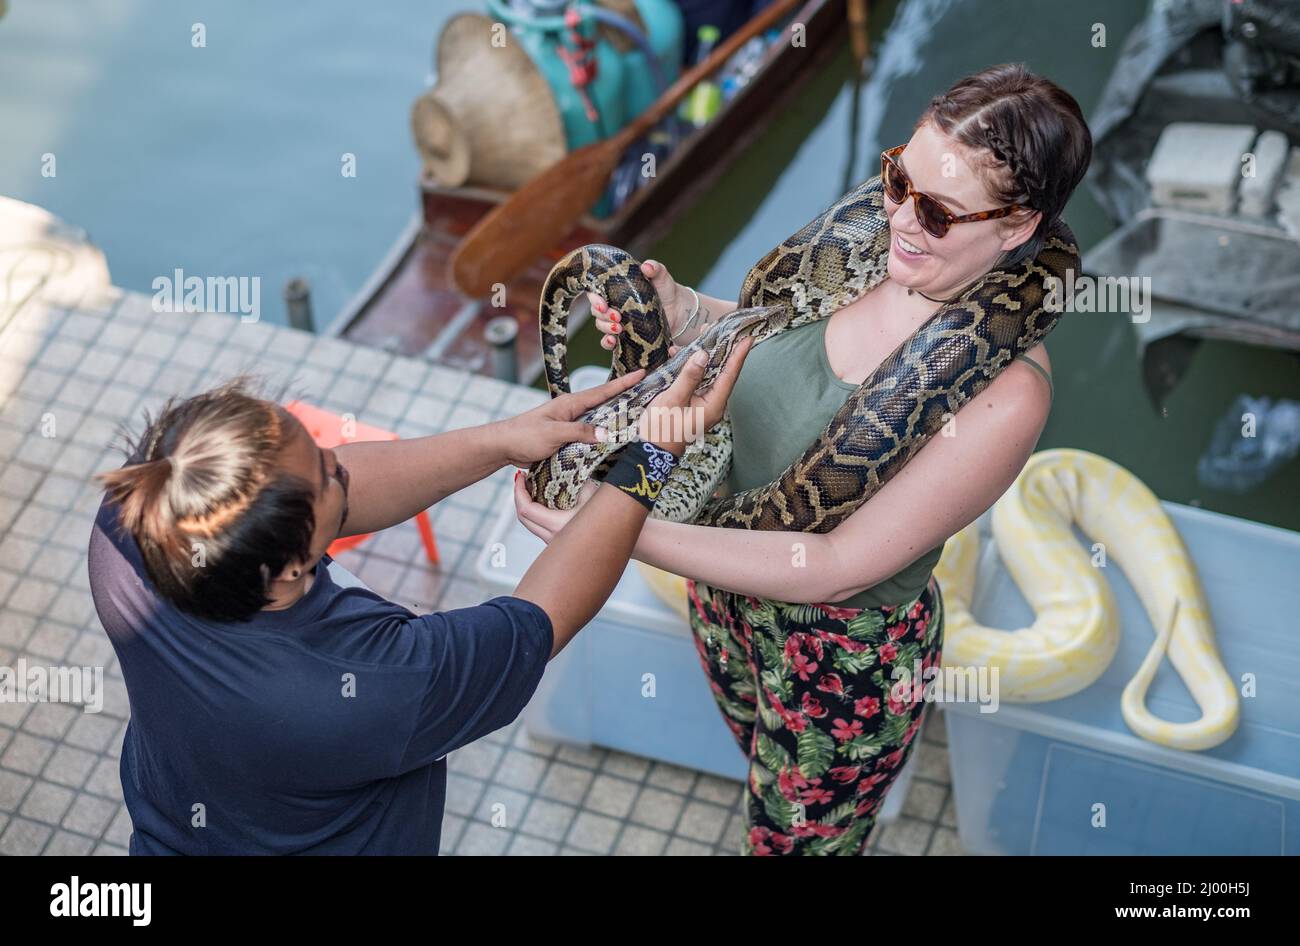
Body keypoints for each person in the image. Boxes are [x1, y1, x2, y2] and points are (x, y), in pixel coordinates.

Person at [515, 63, 1092, 855]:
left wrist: (612, 527)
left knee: (795, 845)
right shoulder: (874, 246)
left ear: (1019, 226)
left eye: (937, 210)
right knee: (757, 768)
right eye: (896, 180)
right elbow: (766, 334)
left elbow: (834, 564)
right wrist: (685, 313)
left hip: (838, 663)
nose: (898, 218)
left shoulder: (1006, 392)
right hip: (720, 596)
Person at [86, 338, 752, 855]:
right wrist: (651, 460)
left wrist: (499, 440)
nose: (342, 460)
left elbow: (336, 493)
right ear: (291, 565)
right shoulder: (368, 684)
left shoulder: (136, 523)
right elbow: (540, 618)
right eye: (328, 475)